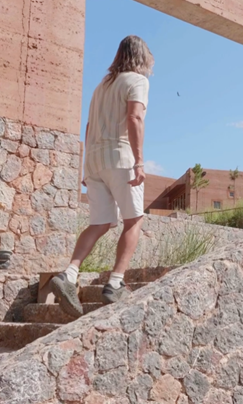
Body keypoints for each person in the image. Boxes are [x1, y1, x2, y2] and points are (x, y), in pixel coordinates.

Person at [51, 35, 153, 317]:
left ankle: (69, 274)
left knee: (100, 223)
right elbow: (134, 118)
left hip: (95, 161)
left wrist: (87, 167)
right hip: (121, 158)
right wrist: (139, 161)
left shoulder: (102, 86)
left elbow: (88, 127)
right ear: (143, 58)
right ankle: (115, 283)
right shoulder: (138, 81)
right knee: (134, 220)